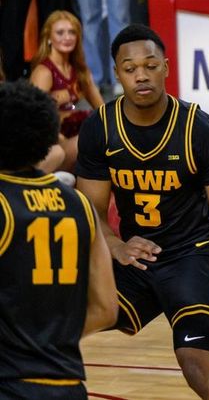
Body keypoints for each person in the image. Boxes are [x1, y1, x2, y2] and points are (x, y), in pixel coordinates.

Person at [75, 25, 209, 399]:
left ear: (166, 67)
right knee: (55, 323)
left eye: (151, 65)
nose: (141, 75)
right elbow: (91, 209)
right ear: (117, 73)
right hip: (136, 257)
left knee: (199, 370)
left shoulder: (198, 129)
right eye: (130, 68)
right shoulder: (100, 127)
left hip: (192, 256)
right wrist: (115, 245)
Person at [0, 80, 117, 400]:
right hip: (67, 384)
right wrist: (45, 340)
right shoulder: (80, 205)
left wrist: (19, 345)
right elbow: (107, 308)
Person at [29, 10, 102, 172]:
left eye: (72, 32)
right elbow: (34, 117)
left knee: (102, 133)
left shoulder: (80, 70)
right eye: (60, 33)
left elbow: (101, 108)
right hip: (51, 141)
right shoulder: (44, 71)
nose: (67, 37)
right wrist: (60, 138)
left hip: (74, 133)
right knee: (86, 141)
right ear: (48, 38)